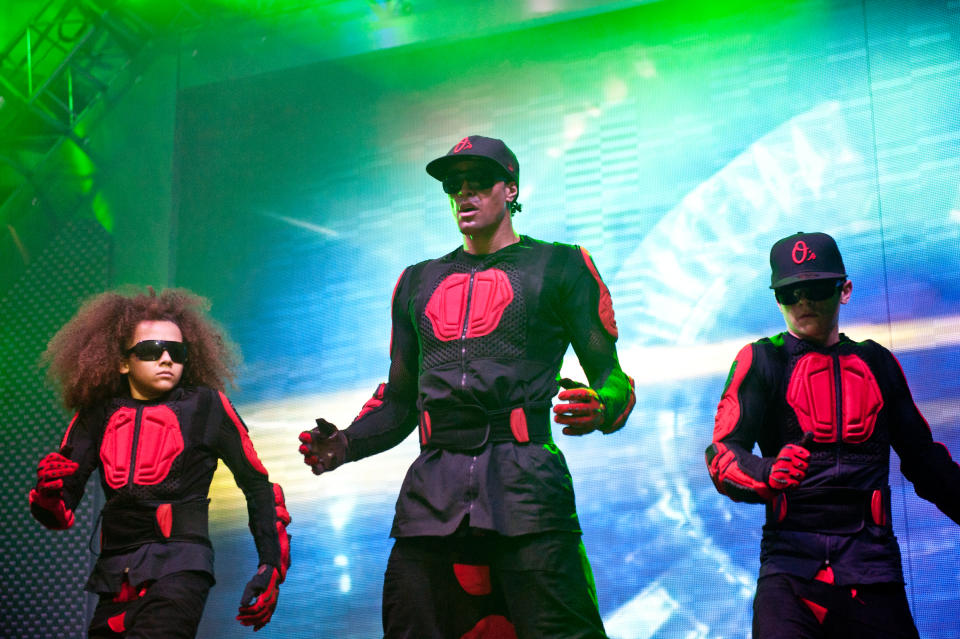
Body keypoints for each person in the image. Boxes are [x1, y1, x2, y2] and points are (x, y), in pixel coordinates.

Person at [298, 134, 635, 639]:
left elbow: (612, 376)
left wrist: (602, 407)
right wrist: (345, 443)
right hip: (431, 497)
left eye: (478, 183)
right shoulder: (417, 281)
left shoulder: (561, 265)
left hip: (526, 490)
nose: (465, 195)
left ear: (511, 189)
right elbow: (400, 400)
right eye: (455, 186)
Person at [705, 231, 960, 638]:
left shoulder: (876, 363)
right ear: (778, 298)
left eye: (816, 289)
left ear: (844, 290)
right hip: (790, 569)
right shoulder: (761, 360)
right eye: (792, 292)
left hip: (871, 568)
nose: (804, 302)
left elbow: (925, 461)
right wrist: (767, 472)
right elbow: (723, 452)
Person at [28, 287, 291, 638]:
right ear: (123, 361)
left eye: (177, 352)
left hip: (180, 565)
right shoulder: (97, 414)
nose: (166, 359)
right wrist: (47, 493)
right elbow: (61, 510)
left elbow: (258, 485)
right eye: (152, 350)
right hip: (114, 576)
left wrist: (270, 565)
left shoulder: (208, 406)